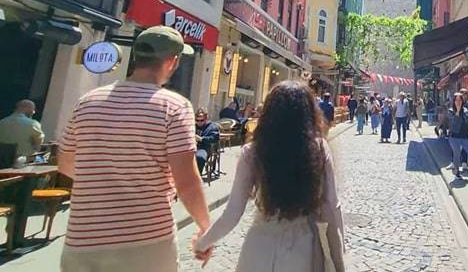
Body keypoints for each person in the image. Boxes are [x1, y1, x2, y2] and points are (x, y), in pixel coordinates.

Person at [57, 26, 211, 272]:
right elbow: (187, 182)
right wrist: (206, 229)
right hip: (146, 241)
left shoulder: (88, 100)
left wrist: (104, 180)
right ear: (172, 61)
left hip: (82, 239)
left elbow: (65, 163)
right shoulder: (174, 106)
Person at [194, 81, 345, 271]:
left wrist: (203, 243)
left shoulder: (253, 151)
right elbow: (332, 207)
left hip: (259, 247)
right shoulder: (319, 149)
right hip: (303, 247)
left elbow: (232, 213)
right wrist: (339, 258)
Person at [447, 93, 468, 178]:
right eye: (456, 100)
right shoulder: (450, 111)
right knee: (457, 153)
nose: (458, 102)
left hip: (464, 135)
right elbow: (453, 124)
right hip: (454, 136)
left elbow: (467, 123)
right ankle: (457, 171)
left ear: (462, 101)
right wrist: (457, 112)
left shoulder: (465, 110)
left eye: (460, 100)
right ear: (454, 101)